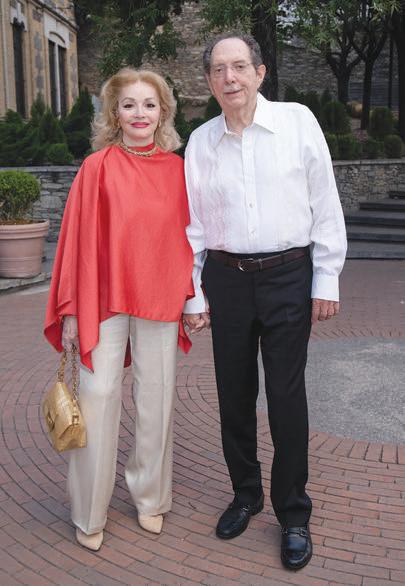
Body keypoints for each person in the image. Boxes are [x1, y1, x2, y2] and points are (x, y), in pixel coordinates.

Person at [183, 33, 347, 571]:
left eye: (238, 66)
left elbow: (324, 201)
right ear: (209, 81)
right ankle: (246, 494)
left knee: (285, 396)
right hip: (227, 280)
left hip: (287, 276)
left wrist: (326, 278)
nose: (229, 78)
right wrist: (194, 292)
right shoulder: (201, 141)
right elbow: (194, 224)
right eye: (218, 70)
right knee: (233, 394)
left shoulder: (298, 122)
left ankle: (293, 513)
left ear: (259, 72)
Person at [44, 68, 194, 551]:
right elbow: (75, 242)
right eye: (129, 104)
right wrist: (70, 309)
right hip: (103, 299)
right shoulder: (97, 167)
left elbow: (192, 239)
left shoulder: (178, 170)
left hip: (161, 297)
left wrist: (192, 297)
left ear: (163, 112)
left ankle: (151, 497)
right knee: (98, 394)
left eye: (149, 104)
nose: (139, 113)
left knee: (157, 397)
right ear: (114, 113)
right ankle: (88, 511)